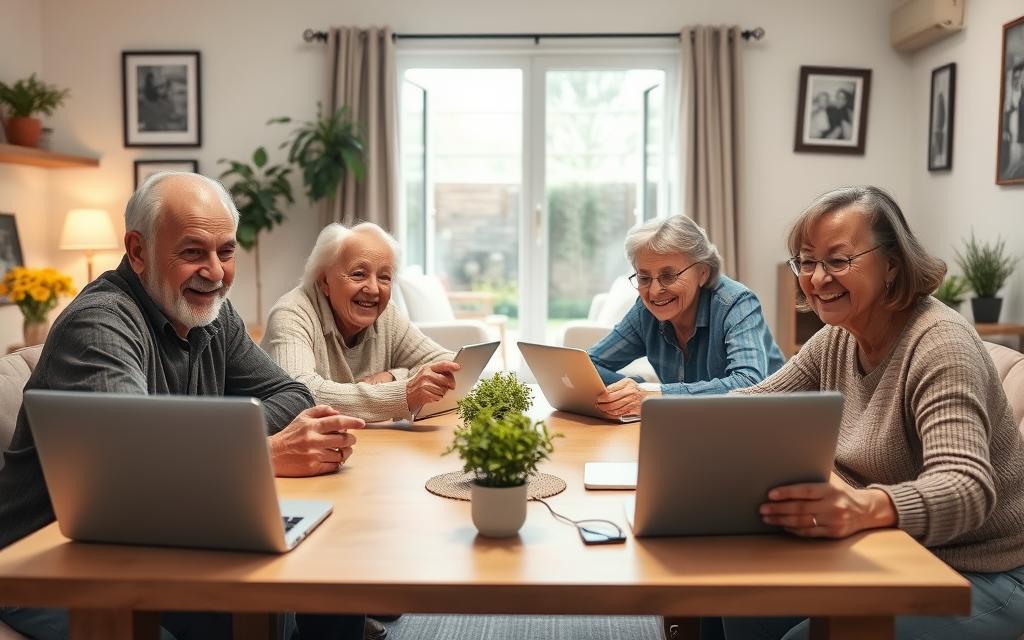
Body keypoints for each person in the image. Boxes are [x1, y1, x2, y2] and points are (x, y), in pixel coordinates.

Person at [0, 172, 377, 640]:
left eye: (226, 251)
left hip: (150, 541)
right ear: (138, 251)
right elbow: (133, 461)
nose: (216, 272)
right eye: (193, 252)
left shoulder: (211, 312)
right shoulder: (99, 325)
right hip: (50, 568)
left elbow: (294, 395)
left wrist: (214, 439)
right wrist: (259, 452)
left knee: (328, 571)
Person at [723, 186, 1024, 639]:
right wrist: (671, 416)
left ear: (892, 266)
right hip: (884, 550)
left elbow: (965, 488)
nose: (817, 278)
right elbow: (758, 405)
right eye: (807, 261)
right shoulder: (838, 336)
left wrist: (867, 505)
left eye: (838, 261)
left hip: (977, 572)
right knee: (736, 598)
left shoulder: (940, 344)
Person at [262, 222, 460, 423]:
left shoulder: (386, 314)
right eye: (358, 274)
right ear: (324, 281)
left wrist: (394, 376)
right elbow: (300, 394)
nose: (373, 289)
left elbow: (449, 363)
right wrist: (404, 392)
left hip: (370, 444)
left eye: (384, 277)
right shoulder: (291, 314)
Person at [590, 215, 783, 418]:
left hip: (765, 424)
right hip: (692, 425)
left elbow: (749, 384)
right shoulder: (644, 313)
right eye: (644, 278)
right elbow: (588, 366)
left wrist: (655, 395)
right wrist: (635, 392)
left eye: (669, 276)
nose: (654, 291)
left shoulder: (736, 303)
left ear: (703, 273)